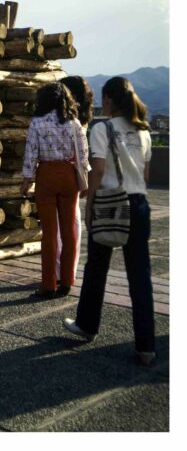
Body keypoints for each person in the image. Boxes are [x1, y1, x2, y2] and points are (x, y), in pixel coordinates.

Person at [63, 76, 155, 366]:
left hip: (111, 203)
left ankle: (87, 325)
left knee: (97, 267)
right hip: (139, 203)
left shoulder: (103, 128)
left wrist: (89, 206)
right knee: (140, 276)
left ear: (109, 100)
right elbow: (146, 175)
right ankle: (146, 346)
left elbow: (98, 170)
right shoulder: (144, 131)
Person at [20, 81, 89, 298]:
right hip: (69, 176)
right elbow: (83, 154)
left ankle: (49, 285)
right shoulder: (74, 123)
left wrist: (26, 179)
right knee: (69, 231)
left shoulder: (37, 123)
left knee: (49, 234)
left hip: (47, 176)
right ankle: (67, 281)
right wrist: (84, 179)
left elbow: (31, 153)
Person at [55, 76, 94, 284]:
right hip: (75, 173)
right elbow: (84, 154)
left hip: (61, 171)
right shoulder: (84, 117)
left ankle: (59, 271)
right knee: (73, 222)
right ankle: (70, 271)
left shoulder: (66, 117)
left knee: (58, 225)